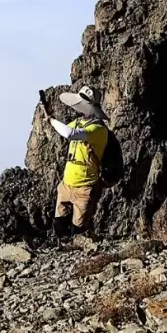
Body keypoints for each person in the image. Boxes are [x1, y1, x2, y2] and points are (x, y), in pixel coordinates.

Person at [42, 86, 110, 242]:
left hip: (84, 188)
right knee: (59, 225)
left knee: (77, 231)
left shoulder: (98, 130)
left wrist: (51, 120)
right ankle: (63, 250)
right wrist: (51, 117)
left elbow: (69, 134)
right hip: (66, 184)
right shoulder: (79, 122)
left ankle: (77, 254)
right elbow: (65, 129)